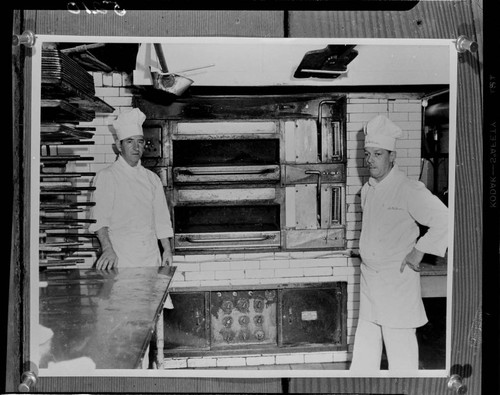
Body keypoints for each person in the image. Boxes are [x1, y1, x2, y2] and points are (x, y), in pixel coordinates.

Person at [350, 114, 448, 371]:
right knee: (365, 354)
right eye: (368, 153)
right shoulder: (367, 190)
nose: (370, 160)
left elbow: (445, 220)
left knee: (401, 354)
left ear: (392, 156)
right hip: (370, 282)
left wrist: (419, 252)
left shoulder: (408, 189)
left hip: (397, 281)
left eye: (378, 154)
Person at [89, 108, 174, 307]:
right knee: (121, 316)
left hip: (149, 258)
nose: (136, 147)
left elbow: (161, 219)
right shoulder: (106, 177)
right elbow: (99, 221)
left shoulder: (152, 179)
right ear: (118, 146)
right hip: (122, 259)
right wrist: (107, 249)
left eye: (140, 141)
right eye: (129, 142)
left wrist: (167, 250)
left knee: (149, 313)